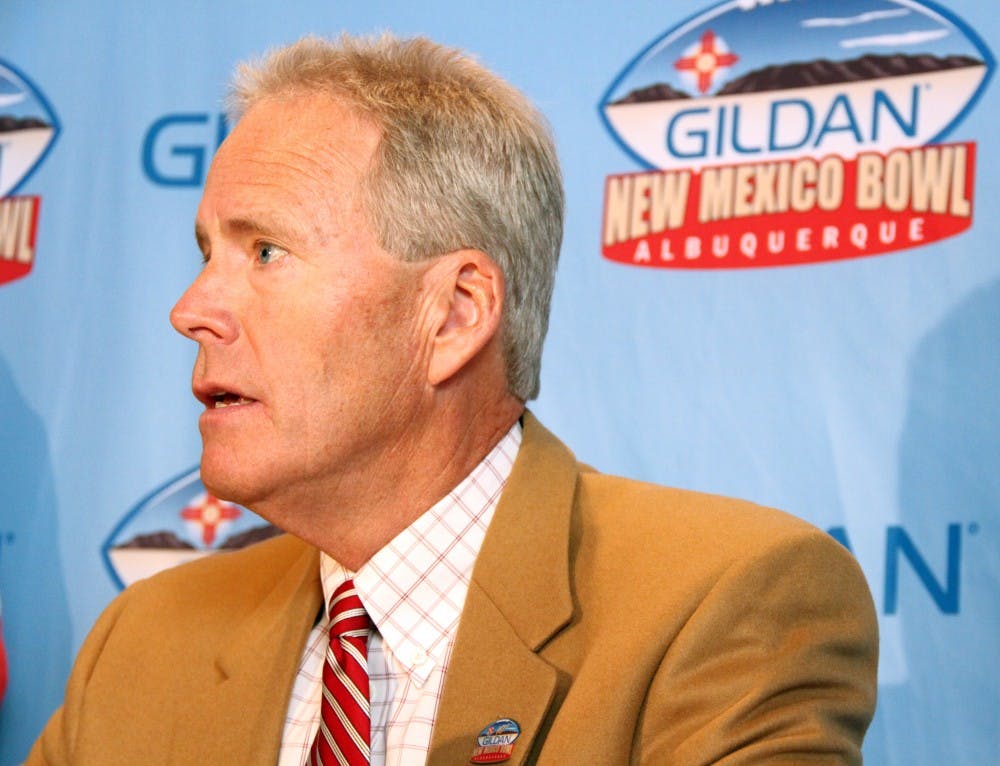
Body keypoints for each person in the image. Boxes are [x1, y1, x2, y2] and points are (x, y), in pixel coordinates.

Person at [28, 33, 877, 765]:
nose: (190, 310)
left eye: (266, 253)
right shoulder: (139, 645)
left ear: (455, 315)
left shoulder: (722, 606)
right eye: (207, 251)